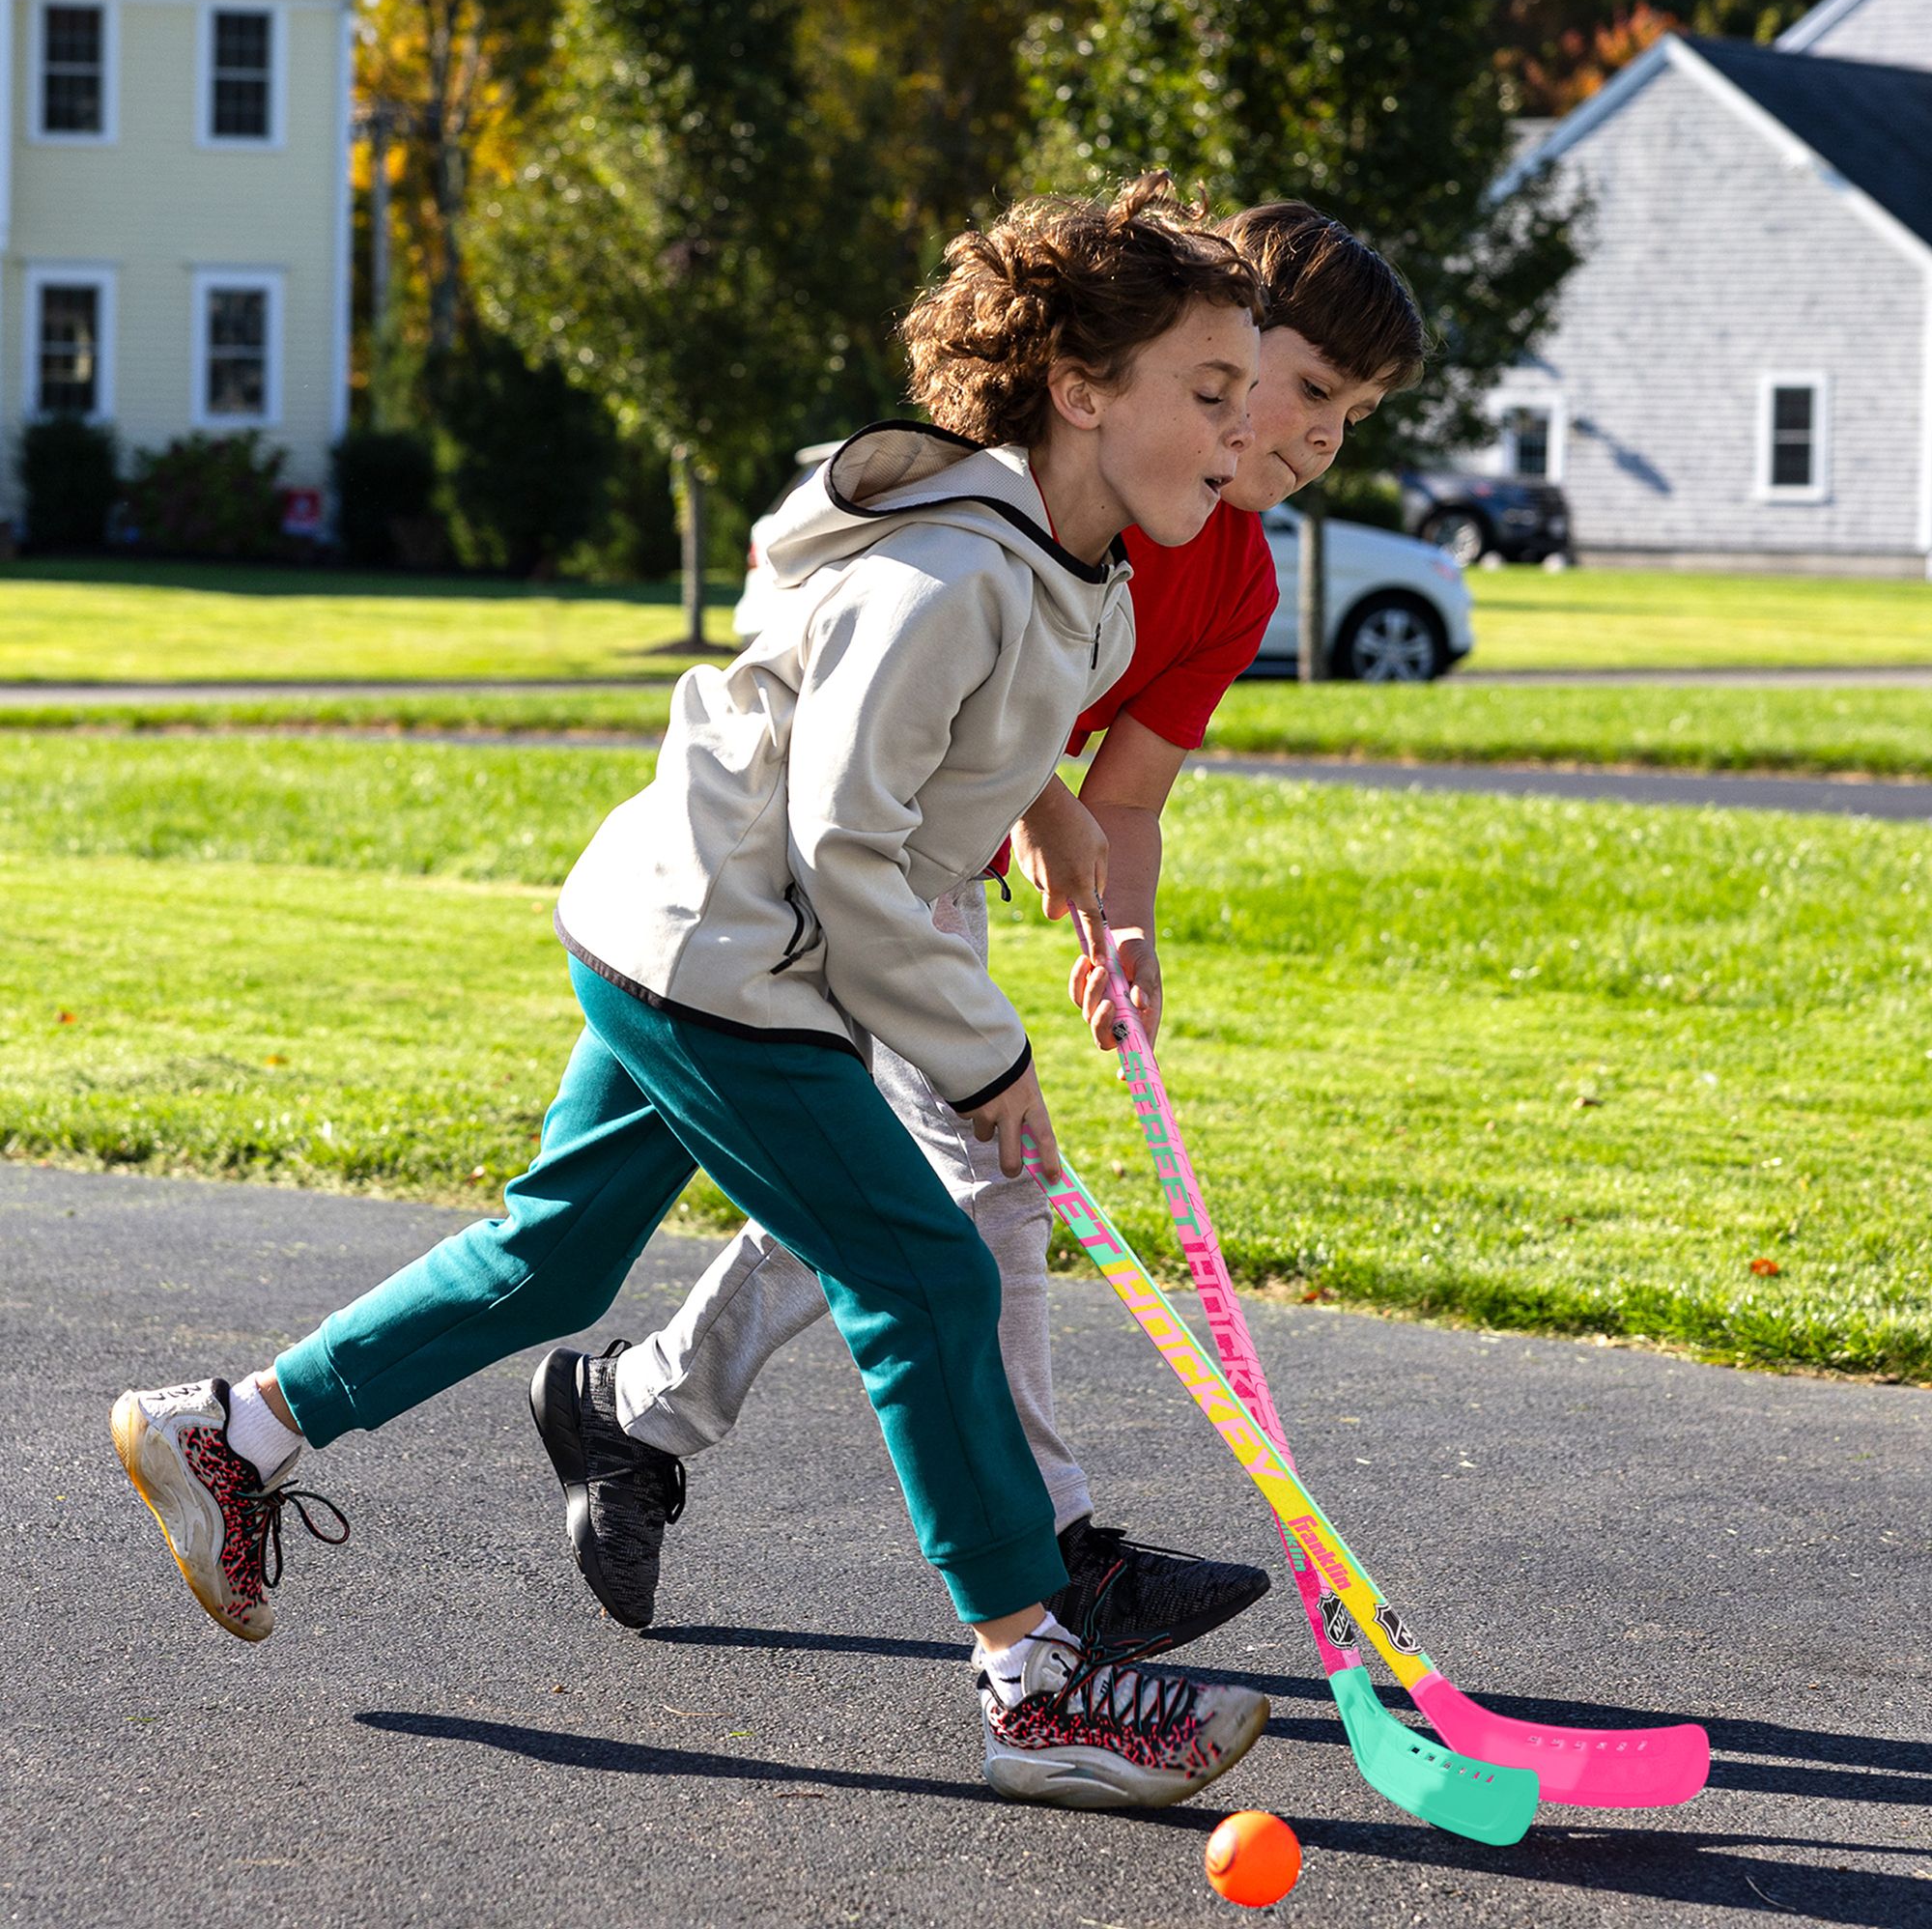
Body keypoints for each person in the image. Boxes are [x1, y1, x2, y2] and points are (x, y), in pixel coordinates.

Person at [110, 175, 1280, 1811]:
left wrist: (1057, 810)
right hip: (735, 962)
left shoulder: (1058, 559)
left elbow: (937, 749)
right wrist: (983, 1054)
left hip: (687, 931)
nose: (1244, 438)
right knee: (927, 1277)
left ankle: (232, 1433)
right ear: (1081, 391)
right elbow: (846, 843)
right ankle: (1039, 1684)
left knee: (557, 1254)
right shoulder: (946, 573)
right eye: (1211, 394)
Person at [532, 202, 1426, 1657]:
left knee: (893, 1206)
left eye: (1358, 415)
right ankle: (1055, 1553)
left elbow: (1122, 792)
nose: (1323, 437)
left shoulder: (1237, 572)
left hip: (924, 861)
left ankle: (633, 1410)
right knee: (986, 1190)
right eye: (1306, 389)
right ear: (1207, 351)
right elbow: (923, 675)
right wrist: (1038, 813)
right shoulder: (1061, 468)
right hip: (834, 862)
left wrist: (1115, 927)